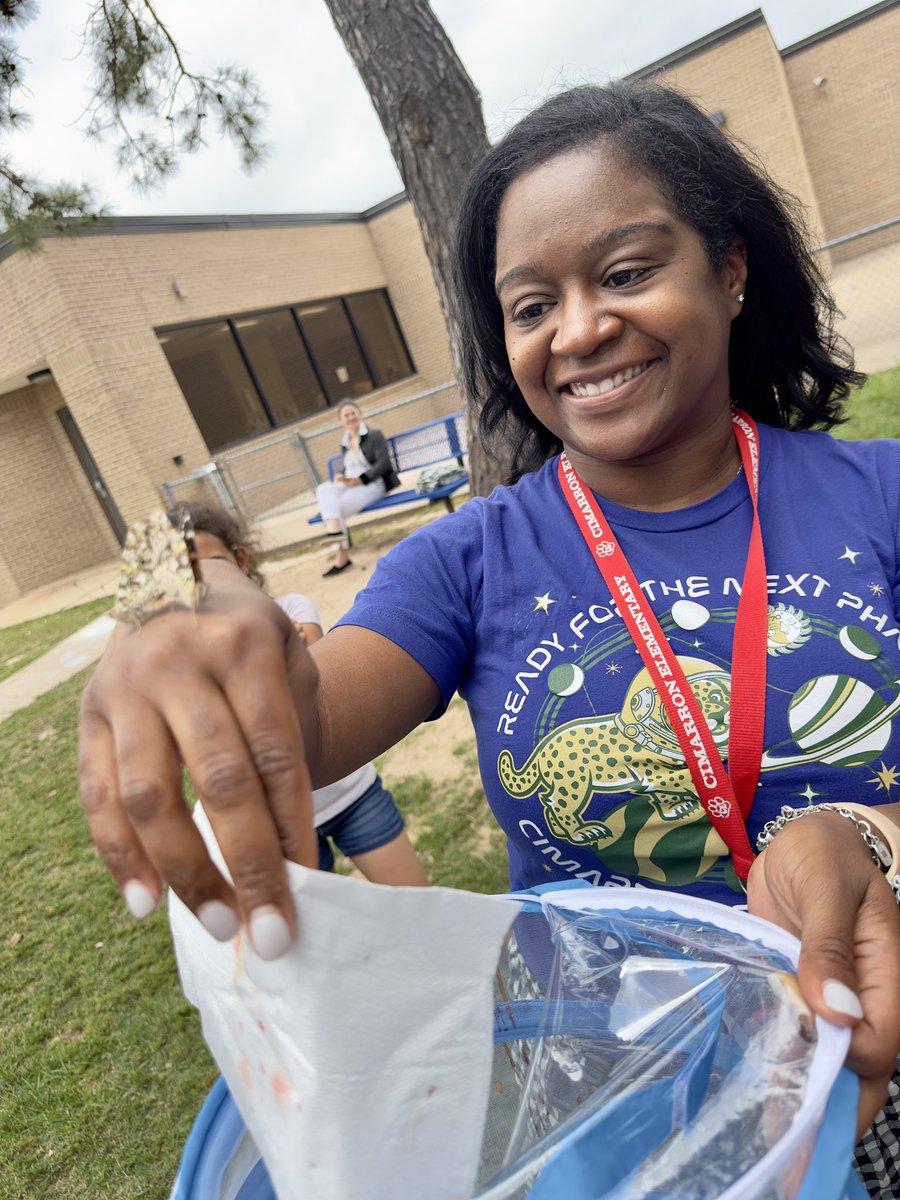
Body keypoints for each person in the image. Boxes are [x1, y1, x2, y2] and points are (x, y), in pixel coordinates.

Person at [79, 80, 900, 1192]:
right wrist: (211, 626)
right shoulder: (468, 564)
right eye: (528, 305)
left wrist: (870, 833)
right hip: (619, 1123)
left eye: (626, 271)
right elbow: (306, 704)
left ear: (733, 267)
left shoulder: (878, 497)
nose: (579, 328)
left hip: (876, 1073)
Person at [177, 501, 429, 887]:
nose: (203, 580)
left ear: (240, 560)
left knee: (417, 903)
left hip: (351, 793)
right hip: (281, 822)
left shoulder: (291, 608)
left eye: (212, 564)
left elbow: (318, 683)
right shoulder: (186, 653)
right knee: (311, 937)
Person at [314, 400, 400, 576]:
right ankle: (335, 532)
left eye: (353, 413)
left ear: (360, 414)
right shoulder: (345, 442)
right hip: (350, 485)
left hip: (372, 485)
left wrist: (360, 480)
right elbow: (350, 467)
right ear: (341, 421)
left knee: (332, 510)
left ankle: (341, 557)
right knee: (323, 490)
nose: (351, 417)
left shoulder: (374, 435)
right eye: (346, 415)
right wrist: (341, 476)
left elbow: (384, 463)